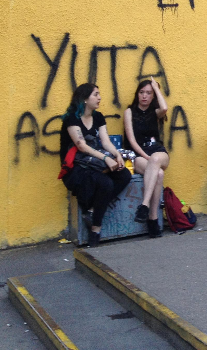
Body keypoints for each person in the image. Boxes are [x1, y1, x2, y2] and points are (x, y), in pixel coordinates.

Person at [59, 83, 131, 248]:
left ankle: (91, 211)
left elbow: (105, 142)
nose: (99, 98)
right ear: (85, 98)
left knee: (124, 175)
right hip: (76, 167)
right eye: (96, 94)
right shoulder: (72, 118)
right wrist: (106, 160)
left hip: (94, 163)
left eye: (99, 94)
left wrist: (118, 155)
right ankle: (96, 229)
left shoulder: (98, 117)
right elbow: (81, 145)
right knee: (105, 183)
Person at [123, 77, 169, 237]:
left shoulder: (154, 112)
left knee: (156, 159)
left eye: (149, 93)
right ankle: (153, 219)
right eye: (142, 92)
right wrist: (146, 158)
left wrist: (156, 87)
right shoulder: (129, 112)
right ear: (137, 94)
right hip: (138, 154)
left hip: (158, 152)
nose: (144, 96)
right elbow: (131, 140)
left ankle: (144, 205)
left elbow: (164, 107)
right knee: (159, 173)